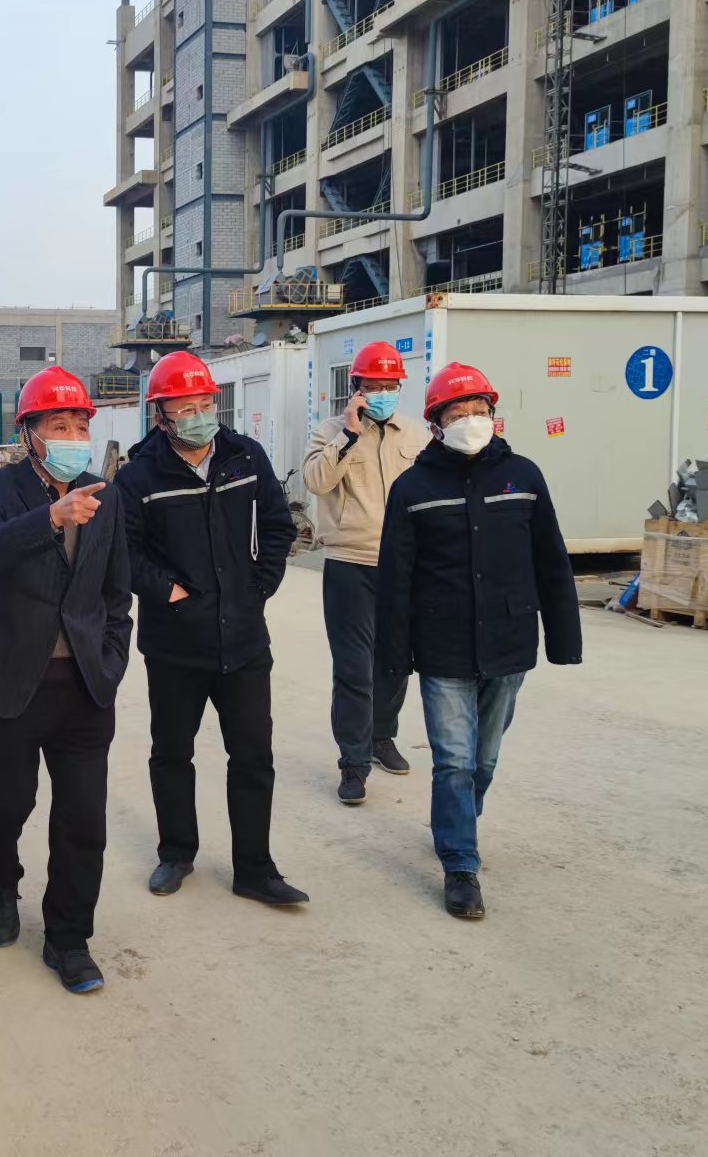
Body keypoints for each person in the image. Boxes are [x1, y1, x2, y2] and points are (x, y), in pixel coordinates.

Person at [375, 362, 581, 920]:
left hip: (509, 641)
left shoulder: (524, 476)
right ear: (436, 424)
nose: (471, 420)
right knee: (455, 761)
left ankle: (459, 817)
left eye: (479, 411)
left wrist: (563, 639)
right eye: (457, 413)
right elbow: (396, 578)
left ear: (494, 414)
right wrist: (392, 656)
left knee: (484, 760)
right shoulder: (413, 488)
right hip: (441, 643)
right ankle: (460, 864)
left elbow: (551, 559)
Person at [0, 368, 133, 994]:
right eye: (60, 425)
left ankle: (69, 939)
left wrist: (111, 660)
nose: (74, 437)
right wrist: (49, 519)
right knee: (4, 803)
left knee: (84, 820)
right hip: (11, 681)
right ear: (29, 432)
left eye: (81, 426)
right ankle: (0, 886)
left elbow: (116, 591)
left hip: (84, 685)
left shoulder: (105, 495)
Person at [113, 351, 307, 907]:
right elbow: (125, 552)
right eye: (184, 408)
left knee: (253, 756)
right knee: (172, 753)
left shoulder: (246, 456)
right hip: (175, 643)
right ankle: (176, 853)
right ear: (161, 416)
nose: (198, 416)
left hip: (244, 640)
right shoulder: (139, 477)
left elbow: (278, 524)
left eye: (204, 404)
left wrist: (260, 584)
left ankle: (255, 869)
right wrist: (166, 590)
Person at [303, 341, 429, 805]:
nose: (382, 393)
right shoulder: (329, 432)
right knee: (354, 668)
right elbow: (316, 481)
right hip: (350, 563)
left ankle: (381, 736)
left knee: (397, 662)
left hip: (405, 566)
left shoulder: (417, 435)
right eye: (373, 386)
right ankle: (353, 762)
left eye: (389, 385)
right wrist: (349, 435)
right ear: (355, 388)